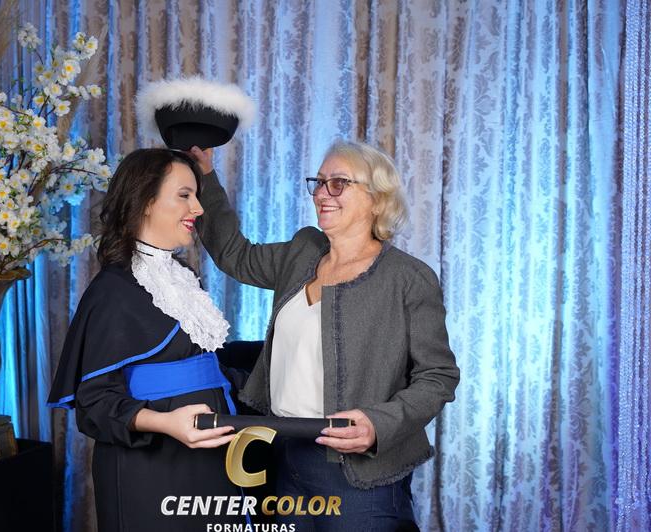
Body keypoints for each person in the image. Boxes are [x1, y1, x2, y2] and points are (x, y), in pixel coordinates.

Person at [192, 140, 460, 531]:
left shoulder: (408, 278)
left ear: (376, 198)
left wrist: (378, 424)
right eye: (318, 182)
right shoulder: (303, 251)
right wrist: (204, 175)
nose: (321, 193)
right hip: (285, 453)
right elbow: (236, 254)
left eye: (338, 183)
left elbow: (438, 376)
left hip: (359, 476)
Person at [47, 148, 245, 531]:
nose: (197, 208)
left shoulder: (183, 279)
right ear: (147, 201)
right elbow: (94, 404)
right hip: (152, 470)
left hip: (211, 459)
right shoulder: (113, 290)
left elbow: (207, 370)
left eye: (196, 195)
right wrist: (166, 423)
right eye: (184, 195)